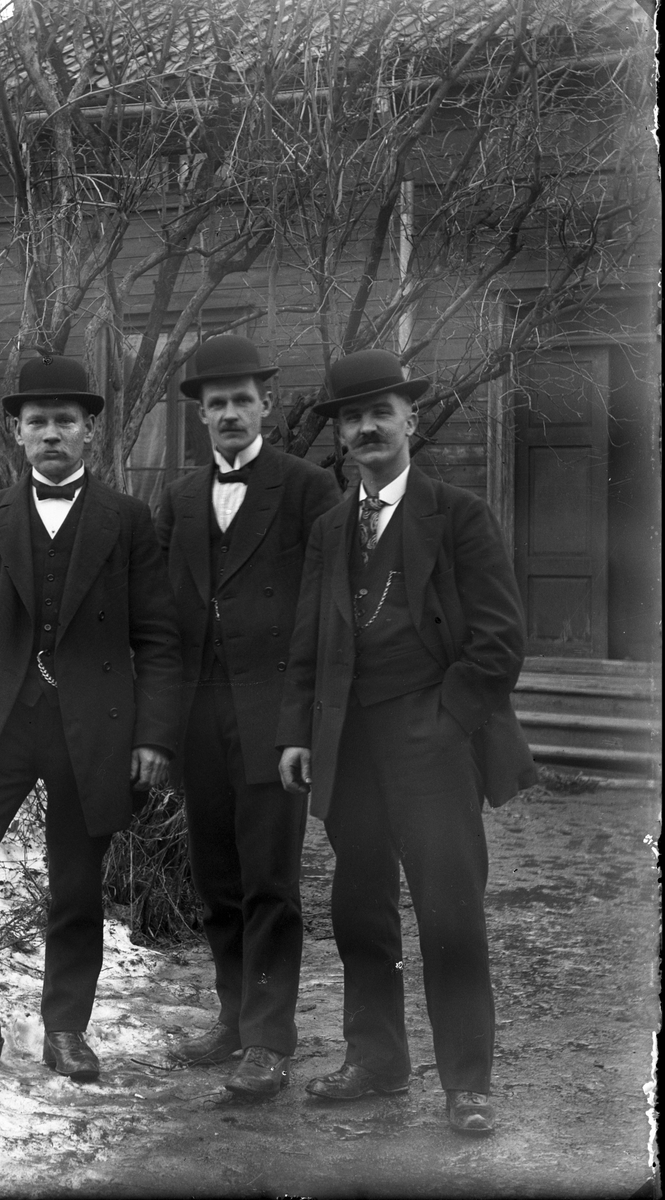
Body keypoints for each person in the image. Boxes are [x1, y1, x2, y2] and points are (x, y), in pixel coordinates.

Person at [277, 348, 536, 1134]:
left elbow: (499, 641)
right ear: (339, 433)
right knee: (359, 909)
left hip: (434, 744)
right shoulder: (328, 529)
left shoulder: (457, 515)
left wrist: (445, 722)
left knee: (448, 910)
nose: (366, 428)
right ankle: (377, 1060)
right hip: (348, 746)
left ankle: (467, 1084)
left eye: (379, 413)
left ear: (409, 419)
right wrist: (297, 732)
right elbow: (308, 642)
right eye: (351, 417)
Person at [0, 355, 181, 1081]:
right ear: (18, 434)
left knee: (76, 882)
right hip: (0, 723)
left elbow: (158, 635)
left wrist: (153, 735)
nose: (51, 433)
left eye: (65, 421)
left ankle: (66, 1033)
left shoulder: (127, 519)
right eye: (38, 422)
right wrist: (2, 645)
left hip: (93, 727)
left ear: (89, 431)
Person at [157, 334, 340, 1100]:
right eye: (216, 403)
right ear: (200, 415)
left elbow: (325, 613)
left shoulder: (307, 489)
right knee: (217, 877)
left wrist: (304, 722)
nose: (229, 413)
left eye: (241, 400)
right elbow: (163, 619)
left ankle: (269, 1039)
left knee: (269, 880)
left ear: (266, 405)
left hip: (273, 716)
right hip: (200, 717)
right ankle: (232, 1019)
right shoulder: (178, 499)